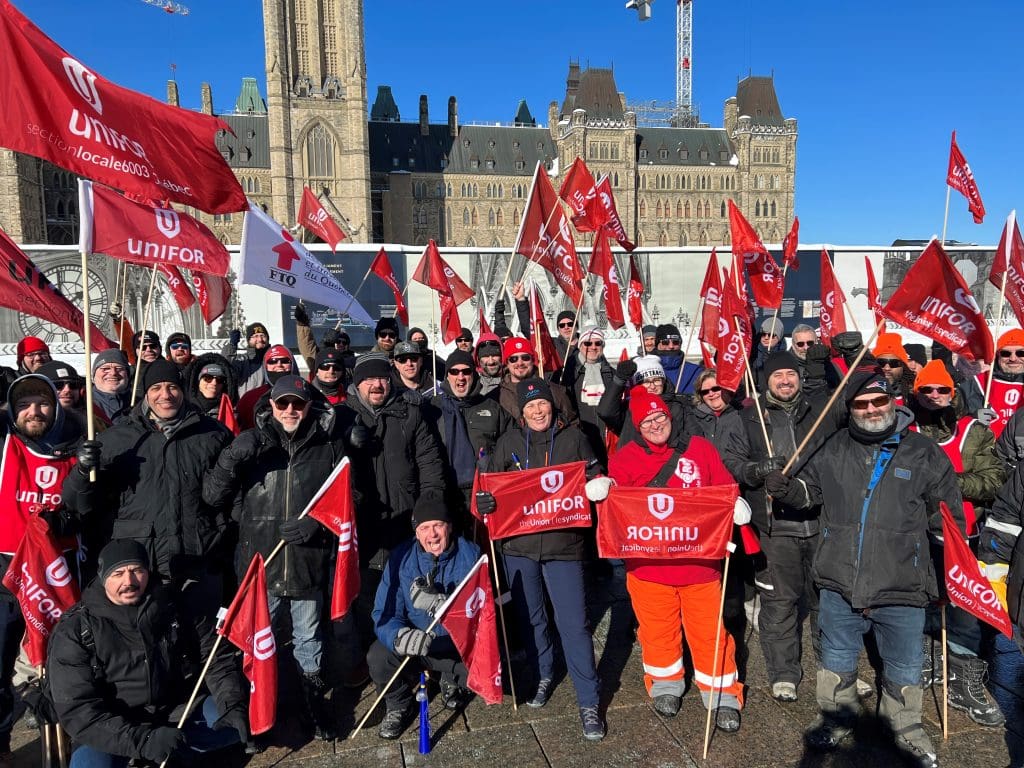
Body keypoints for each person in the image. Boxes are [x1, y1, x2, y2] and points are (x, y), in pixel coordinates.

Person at [765, 367, 966, 767]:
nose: (871, 409)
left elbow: (947, 521)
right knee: (837, 656)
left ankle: (905, 727)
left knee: (904, 663)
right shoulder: (833, 446)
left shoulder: (923, 452)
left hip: (902, 582)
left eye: (879, 401)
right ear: (851, 408)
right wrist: (788, 488)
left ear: (893, 402)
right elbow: (812, 493)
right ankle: (837, 718)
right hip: (840, 579)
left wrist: (948, 573)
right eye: (861, 404)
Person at [62, 359, 232, 663]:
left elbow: (230, 496)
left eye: (172, 387)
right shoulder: (118, 438)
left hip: (197, 557)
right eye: (156, 388)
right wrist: (82, 471)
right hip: (142, 563)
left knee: (203, 646)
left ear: (183, 391)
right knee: (151, 645)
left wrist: (220, 538)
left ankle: (203, 700)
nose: (165, 394)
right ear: (145, 394)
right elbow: (81, 504)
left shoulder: (212, 434)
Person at [204, 375, 343, 740]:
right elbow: (213, 497)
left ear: (309, 405)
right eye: (283, 404)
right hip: (259, 564)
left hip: (305, 562)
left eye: (298, 403)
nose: (290, 410)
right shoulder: (252, 445)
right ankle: (259, 713)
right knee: (256, 642)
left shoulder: (327, 447)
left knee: (309, 641)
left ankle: (313, 706)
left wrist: (317, 526)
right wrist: (232, 457)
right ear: (271, 406)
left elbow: (348, 502)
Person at [607, 386, 747, 731]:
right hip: (648, 568)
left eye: (660, 417)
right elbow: (617, 505)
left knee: (709, 631)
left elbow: (723, 485)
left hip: (699, 564)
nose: (655, 424)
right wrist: (604, 489)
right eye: (647, 421)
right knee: (657, 630)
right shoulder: (624, 458)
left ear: (670, 417)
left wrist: (734, 503)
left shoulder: (699, 449)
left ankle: (722, 692)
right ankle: (666, 684)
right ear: (637, 427)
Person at [476, 378, 607, 740]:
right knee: (531, 619)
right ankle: (543, 673)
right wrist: (484, 502)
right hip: (520, 548)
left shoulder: (574, 439)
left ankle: (589, 700)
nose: (537, 411)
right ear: (522, 410)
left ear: (552, 406)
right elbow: (488, 487)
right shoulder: (510, 442)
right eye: (530, 406)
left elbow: (596, 475)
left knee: (574, 624)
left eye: (542, 404)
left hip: (564, 545)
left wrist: (598, 484)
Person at [48, 540, 247, 767]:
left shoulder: (173, 605)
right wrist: (144, 741)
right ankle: (154, 750)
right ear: (103, 578)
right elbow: (78, 709)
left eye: (137, 571)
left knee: (238, 722)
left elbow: (215, 658)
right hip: (112, 723)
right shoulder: (76, 629)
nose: (129, 581)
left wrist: (232, 703)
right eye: (118, 573)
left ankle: (175, 750)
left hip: (174, 711)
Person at [735, 351, 842, 702]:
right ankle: (784, 672)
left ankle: (834, 669)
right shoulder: (749, 418)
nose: (785, 380)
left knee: (826, 601)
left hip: (821, 520)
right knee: (779, 602)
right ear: (765, 380)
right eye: (777, 375)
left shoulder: (819, 409)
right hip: (775, 526)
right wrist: (756, 471)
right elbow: (731, 461)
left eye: (791, 374)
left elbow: (858, 396)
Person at [335, 354, 445, 688]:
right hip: (364, 525)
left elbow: (430, 463)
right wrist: (347, 444)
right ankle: (378, 661)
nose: (376, 385)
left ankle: (421, 658)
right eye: (368, 379)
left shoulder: (409, 413)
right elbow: (326, 465)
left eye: (382, 378)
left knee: (415, 591)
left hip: (406, 521)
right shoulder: (342, 416)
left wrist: (429, 510)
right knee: (369, 596)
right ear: (357, 383)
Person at [909, 360, 1005, 726]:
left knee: (965, 611)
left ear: (954, 392)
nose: (935, 396)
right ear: (916, 392)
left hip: (964, 536)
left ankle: (964, 682)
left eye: (942, 390)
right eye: (926, 390)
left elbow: (994, 479)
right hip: (916, 533)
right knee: (920, 602)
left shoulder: (973, 432)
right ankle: (925, 663)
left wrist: (948, 483)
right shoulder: (907, 428)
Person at [0, 374, 83, 763]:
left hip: (59, 574)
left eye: (42, 403)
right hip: (8, 573)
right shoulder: (5, 444)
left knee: (60, 665)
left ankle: (69, 746)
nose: (34, 411)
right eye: (25, 404)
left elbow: (90, 510)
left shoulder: (78, 445)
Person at [369, 495, 480, 739]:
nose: (433, 535)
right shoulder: (401, 558)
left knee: (489, 676)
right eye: (424, 528)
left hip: (455, 646)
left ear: (449, 527)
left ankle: (450, 680)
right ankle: (400, 705)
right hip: (417, 646)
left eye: (438, 525)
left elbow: (480, 615)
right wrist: (399, 636)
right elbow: (384, 613)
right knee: (378, 657)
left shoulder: (471, 555)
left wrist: (443, 606)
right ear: (416, 532)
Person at [426, 350, 510, 522]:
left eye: (466, 371)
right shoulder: (432, 409)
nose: (461, 377)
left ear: (474, 374)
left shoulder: (492, 408)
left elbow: (510, 447)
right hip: (444, 492)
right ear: (447, 376)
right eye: (454, 372)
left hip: (482, 492)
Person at [596, 355, 700, 449]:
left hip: (669, 464)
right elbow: (605, 412)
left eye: (657, 380)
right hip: (634, 464)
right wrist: (619, 380)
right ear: (637, 385)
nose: (652, 386)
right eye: (646, 382)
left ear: (664, 381)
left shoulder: (678, 405)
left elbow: (695, 437)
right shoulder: (629, 408)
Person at [562, 326, 614, 461]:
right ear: (580, 345)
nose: (593, 347)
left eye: (598, 343)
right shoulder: (568, 374)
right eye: (588, 343)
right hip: (581, 440)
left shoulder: (612, 374)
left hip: (608, 439)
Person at [496, 337, 577, 423]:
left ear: (533, 360)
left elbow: (573, 422)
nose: (520, 363)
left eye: (525, 358)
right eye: (513, 359)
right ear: (507, 363)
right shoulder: (498, 395)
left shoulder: (553, 390)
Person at [965, 329, 1024, 438]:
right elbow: (953, 412)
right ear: (997, 356)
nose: (1013, 358)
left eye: (1021, 353)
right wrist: (973, 417)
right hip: (988, 451)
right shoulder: (981, 381)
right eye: (1005, 353)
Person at [235, 344, 299, 431]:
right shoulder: (250, 398)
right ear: (265, 366)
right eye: (272, 361)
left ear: (292, 365)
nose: (279, 364)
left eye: (284, 361)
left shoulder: (306, 393)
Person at [222, 321, 271, 397]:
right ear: (248, 340)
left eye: (263, 335)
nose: (260, 339)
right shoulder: (243, 360)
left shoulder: (275, 359)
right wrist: (232, 345)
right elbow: (225, 367)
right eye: (255, 336)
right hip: (246, 405)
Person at [37, 360, 88, 432]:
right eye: (58, 385)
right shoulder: (33, 421)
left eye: (73, 385)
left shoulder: (93, 419)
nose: (67, 390)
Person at [185, 354, 238, 418]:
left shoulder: (232, 415)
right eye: (208, 378)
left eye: (220, 379)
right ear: (198, 382)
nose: (214, 383)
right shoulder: (183, 411)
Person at [790, 324, 837, 396]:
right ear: (793, 345)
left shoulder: (828, 364)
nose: (806, 348)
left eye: (810, 343)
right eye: (800, 344)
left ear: (816, 342)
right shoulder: (787, 366)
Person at [654, 324, 701, 394]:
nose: (671, 346)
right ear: (657, 345)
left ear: (680, 344)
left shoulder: (696, 371)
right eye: (665, 342)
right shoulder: (646, 370)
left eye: (675, 342)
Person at [871, 332, 915, 406]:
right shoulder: (861, 391)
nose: (887, 368)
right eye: (881, 362)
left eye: (894, 363)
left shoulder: (915, 394)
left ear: (903, 366)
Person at [88, 349, 131, 426]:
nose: (113, 373)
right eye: (106, 368)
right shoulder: (84, 404)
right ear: (93, 376)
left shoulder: (140, 405)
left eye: (119, 368)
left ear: (127, 375)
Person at [752, 317, 787, 389]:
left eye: (771, 335)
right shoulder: (753, 352)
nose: (766, 337)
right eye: (763, 334)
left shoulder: (784, 356)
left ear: (779, 337)